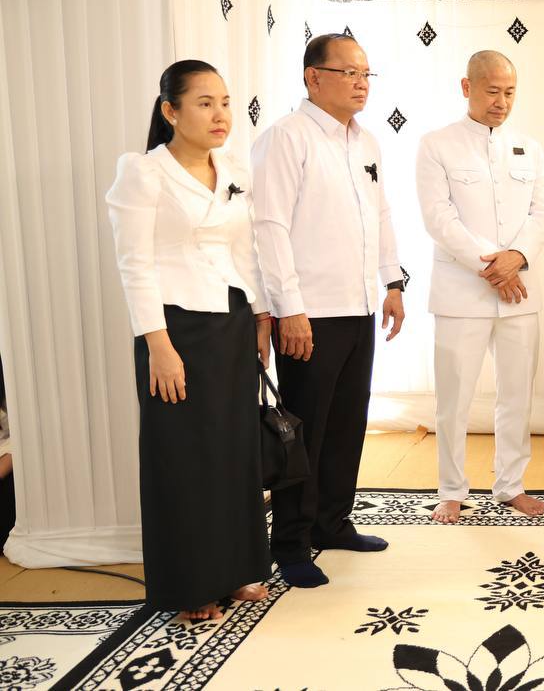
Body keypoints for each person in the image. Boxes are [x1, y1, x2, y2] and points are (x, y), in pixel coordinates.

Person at [105, 60, 271, 620]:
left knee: (234, 449)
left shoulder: (233, 167)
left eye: (224, 102)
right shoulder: (143, 172)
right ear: (170, 111)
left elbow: (244, 250)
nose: (220, 114)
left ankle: (238, 566)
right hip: (174, 329)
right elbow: (134, 264)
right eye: (204, 103)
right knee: (182, 456)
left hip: (231, 321)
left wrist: (260, 317)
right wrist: (158, 345)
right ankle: (191, 584)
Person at [251, 34, 406, 588]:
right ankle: (291, 544)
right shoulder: (285, 137)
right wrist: (287, 309)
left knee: (346, 423)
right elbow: (268, 227)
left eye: (366, 74)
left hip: (358, 303)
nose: (361, 84)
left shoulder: (366, 142)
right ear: (314, 77)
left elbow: (381, 216)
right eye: (349, 73)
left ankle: (333, 523)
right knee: (305, 432)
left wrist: (392, 282)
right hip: (309, 312)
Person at [416, 51, 544, 523]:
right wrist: (494, 266)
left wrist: (517, 259)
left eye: (510, 92)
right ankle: (451, 490)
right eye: (492, 91)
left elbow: (542, 214)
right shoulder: (436, 144)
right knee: (454, 400)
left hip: (520, 294)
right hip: (461, 294)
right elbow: (438, 218)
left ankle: (510, 485)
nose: (502, 102)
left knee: (517, 396)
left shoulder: (530, 147)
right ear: (466, 87)